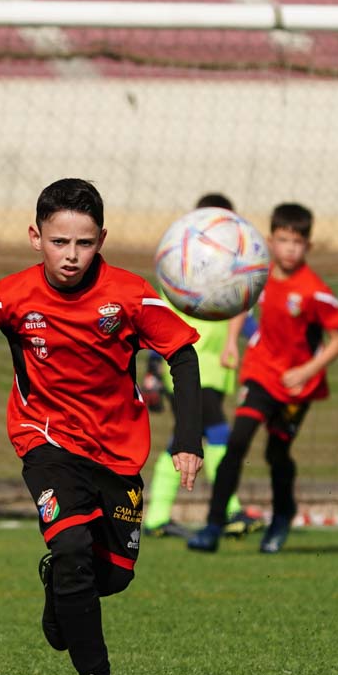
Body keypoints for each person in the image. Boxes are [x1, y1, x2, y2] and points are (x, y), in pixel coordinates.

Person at [0, 178, 203, 675]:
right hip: (45, 440)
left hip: (118, 451)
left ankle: (60, 588)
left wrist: (187, 442)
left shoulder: (130, 294)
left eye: (84, 243)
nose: (70, 256)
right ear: (35, 237)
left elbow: (184, 356)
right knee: (72, 544)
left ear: (101, 239)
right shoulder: (11, 295)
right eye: (58, 242)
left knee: (112, 576)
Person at [187, 202, 338, 554]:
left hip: (296, 386)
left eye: (297, 241)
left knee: (277, 453)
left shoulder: (314, 290)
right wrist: (232, 341)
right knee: (237, 442)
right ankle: (213, 526)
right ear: (271, 241)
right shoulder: (257, 274)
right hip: (261, 373)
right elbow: (242, 304)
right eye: (283, 239)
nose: (290, 247)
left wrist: (307, 370)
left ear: (308, 245)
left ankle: (282, 515)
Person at [142, 193, 260, 539]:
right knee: (220, 434)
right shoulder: (181, 273)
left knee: (181, 440)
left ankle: (157, 518)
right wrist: (151, 370)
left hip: (214, 372)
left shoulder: (230, 277)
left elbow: (247, 323)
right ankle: (228, 509)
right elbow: (158, 325)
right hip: (185, 372)